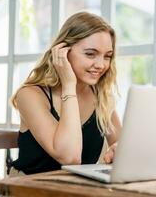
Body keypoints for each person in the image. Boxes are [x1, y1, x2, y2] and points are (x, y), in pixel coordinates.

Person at [10, 11, 121, 175]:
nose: (101, 64)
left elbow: (125, 150)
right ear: (62, 51)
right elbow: (70, 157)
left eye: (107, 56)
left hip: (75, 188)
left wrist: (119, 150)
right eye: (90, 54)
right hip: (28, 188)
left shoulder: (102, 97)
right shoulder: (30, 95)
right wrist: (69, 85)